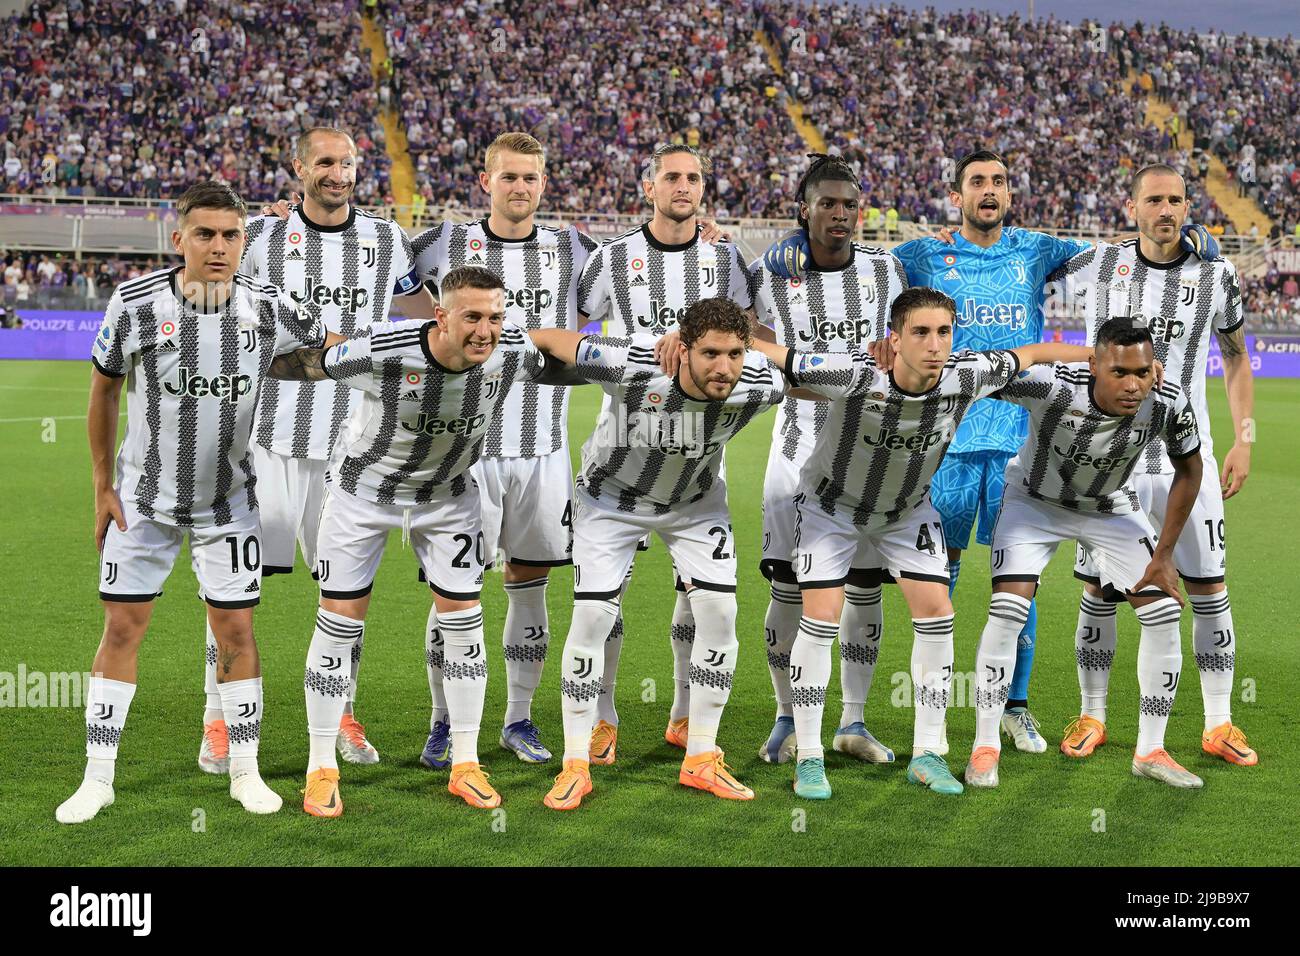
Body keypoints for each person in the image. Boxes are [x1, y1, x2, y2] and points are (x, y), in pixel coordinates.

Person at [57, 181, 339, 824]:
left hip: (230, 503)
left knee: (236, 631)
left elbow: (327, 350)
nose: (218, 247)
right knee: (122, 629)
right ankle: (97, 778)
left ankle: (245, 771)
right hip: (142, 503)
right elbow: (102, 392)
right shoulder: (133, 303)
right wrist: (102, 485)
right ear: (177, 237)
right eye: (205, 234)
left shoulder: (267, 306)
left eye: (231, 235)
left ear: (246, 241)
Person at [748, 287, 1092, 798]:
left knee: (937, 615)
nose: (935, 345)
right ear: (895, 338)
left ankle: (928, 753)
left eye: (944, 332)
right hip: (830, 509)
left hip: (906, 513)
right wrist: (700, 338)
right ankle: (812, 757)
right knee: (819, 618)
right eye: (921, 333)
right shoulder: (856, 375)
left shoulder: (967, 374)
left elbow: (1033, 354)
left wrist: (1099, 356)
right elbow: (777, 354)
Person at [268, 265, 554, 814]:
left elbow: (559, 352)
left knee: (464, 621)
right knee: (340, 623)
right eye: (471, 316)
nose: (484, 330)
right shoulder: (380, 350)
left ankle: (466, 763)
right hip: (362, 497)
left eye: (495, 317)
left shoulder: (510, 351)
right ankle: (321, 767)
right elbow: (310, 362)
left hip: (447, 499)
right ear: (440, 315)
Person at [196, 127, 434, 777]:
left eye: (347, 163)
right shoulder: (264, 237)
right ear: (298, 168)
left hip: (351, 450)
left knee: (344, 593)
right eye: (324, 163)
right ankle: (220, 720)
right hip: (262, 444)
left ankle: (343, 712)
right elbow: (207, 285)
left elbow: (424, 310)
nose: (338, 173)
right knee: (234, 590)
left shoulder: (385, 240)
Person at [529, 298, 788, 810]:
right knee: (592, 616)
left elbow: (796, 372)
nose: (724, 368)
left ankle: (700, 756)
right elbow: (547, 338)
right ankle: (575, 764)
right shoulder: (630, 361)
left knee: (721, 612)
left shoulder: (761, 383)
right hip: (609, 502)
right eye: (710, 353)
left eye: (735, 354)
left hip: (694, 504)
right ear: (683, 349)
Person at [1049, 164, 1258, 766]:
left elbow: (1237, 357)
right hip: (1109, 458)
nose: (1166, 209)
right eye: (1154, 200)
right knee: (1097, 591)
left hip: (1185, 459)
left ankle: (1218, 722)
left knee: (1209, 587)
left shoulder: (1216, 272)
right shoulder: (1099, 264)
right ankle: (1094, 713)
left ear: (1188, 205)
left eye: (1176, 199)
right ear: (1132, 206)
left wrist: (1244, 439)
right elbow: (1021, 258)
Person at [410, 131, 599, 767]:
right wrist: (280, 223)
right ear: (485, 180)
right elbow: (364, 270)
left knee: (530, 584)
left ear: (543, 185)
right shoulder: (442, 243)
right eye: (509, 176)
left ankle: (518, 718)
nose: (521, 187)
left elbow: (640, 275)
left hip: (542, 448)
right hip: (462, 453)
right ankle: (443, 722)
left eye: (531, 178)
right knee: (453, 594)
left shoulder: (573, 249)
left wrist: (701, 238)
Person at [966, 317, 1206, 789]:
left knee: (1160, 613)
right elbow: (974, 376)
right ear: (1093, 364)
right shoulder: (1051, 386)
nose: (1133, 385)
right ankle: (984, 745)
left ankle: (1150, 751)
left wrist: (1163, 553)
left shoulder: (1168, 401)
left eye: (1142, 372)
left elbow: (1190, 470)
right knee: (1009, 609)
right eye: (1119, 372)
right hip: (1034, 502)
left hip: (1110, 507)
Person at [574, 143, 752, 764]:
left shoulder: (727, 260)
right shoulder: (612, 259)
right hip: (625, 448)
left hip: (701, 459)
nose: (683, 186)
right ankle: (602, 718)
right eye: (671, 177)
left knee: (697, 593)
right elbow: (569, 331)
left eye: (694, 178)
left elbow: (749, 338)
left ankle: (684, 716)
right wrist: (640, 350)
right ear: (648, 187)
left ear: (704, 189)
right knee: (605, 596)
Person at [748, 154, 908, 766]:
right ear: (804, 209)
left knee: (865, 587)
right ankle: (788, 717)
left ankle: (854, 722)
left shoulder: (883, 270)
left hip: (869, 453)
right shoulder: (771, 271)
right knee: (789, 585)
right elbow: (744, 329)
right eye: (827, 203)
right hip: (796, 451)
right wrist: (792, 362)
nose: (839, 214)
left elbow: (903, 338)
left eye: (849, 204)